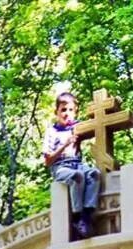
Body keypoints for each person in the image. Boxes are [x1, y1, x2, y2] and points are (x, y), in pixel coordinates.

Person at [43, 92, 101, 240]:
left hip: (78, 163)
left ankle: (87, 217)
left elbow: (98, 124)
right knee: (77, 177)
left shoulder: (77, 127)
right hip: (60, 167)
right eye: (63, 110)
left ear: (75, 111)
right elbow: (48, 160)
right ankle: (77, 217)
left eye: (70, 110)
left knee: (94, 173)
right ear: (56, 112)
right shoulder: (52, 131)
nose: (66, 114)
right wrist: (65, 144)